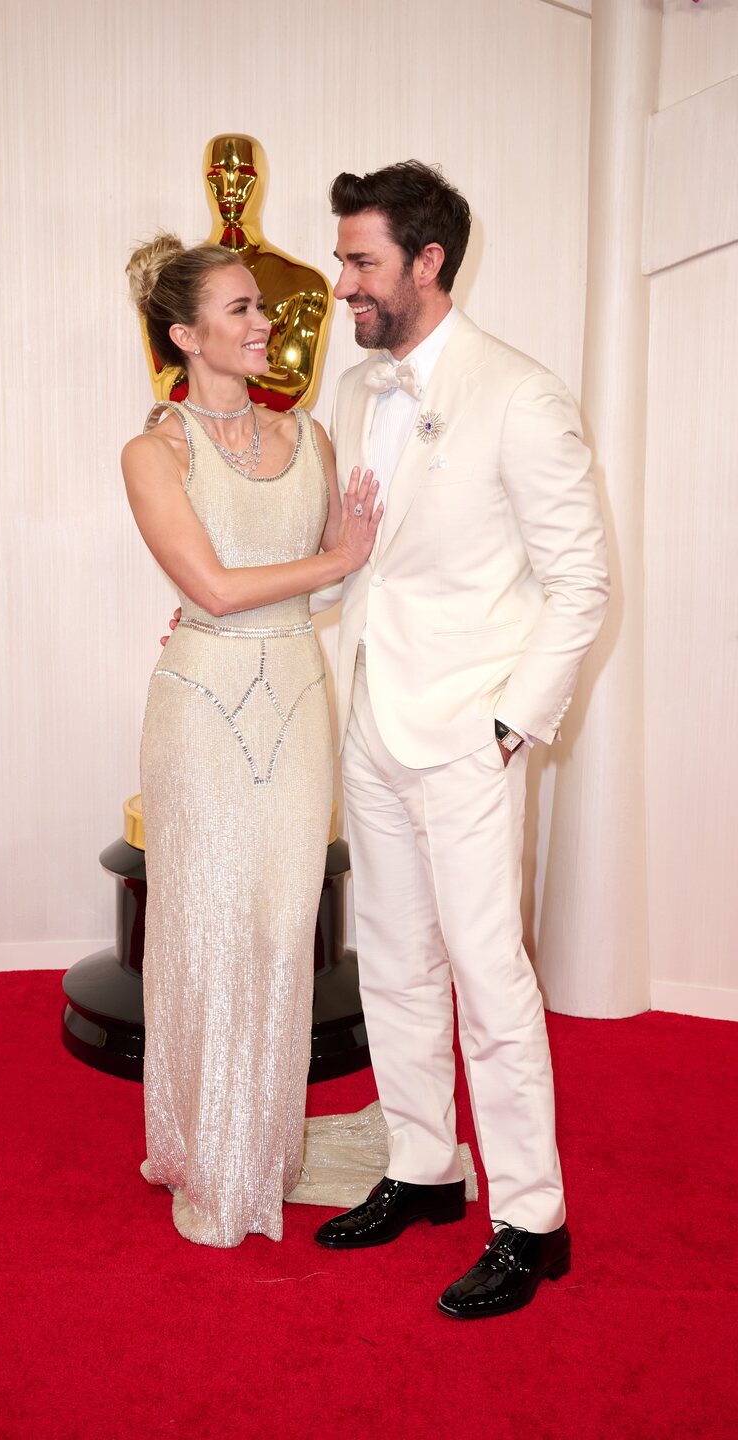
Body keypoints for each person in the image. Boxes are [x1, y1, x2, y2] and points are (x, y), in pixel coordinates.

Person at [312, 161, 610, 1318]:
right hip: (375, 719)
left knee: (490, 978)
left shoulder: (522, 395)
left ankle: (533, 1219)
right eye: (344, 259)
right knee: (389, 957)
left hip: (470, 735)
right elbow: (357, 559)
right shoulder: (355, 390)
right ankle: (424, 1165)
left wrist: (507, 726)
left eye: (361, 260)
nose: (344, 283)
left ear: (427, 262)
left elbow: (580, 583)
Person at [121, 234, 381, 1248]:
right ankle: (202, 1146)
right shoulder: (155, 451)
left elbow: (334, 577)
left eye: (260, 308)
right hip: (202, 709)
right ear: (187, 335)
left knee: (279, 933)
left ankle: (263, 1145)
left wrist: (346, 560)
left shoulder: (311, 438)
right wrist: (335, 561)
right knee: (204, 926)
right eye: (238, 309)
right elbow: (217, 592)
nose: (263, 321)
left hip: (297, 703)